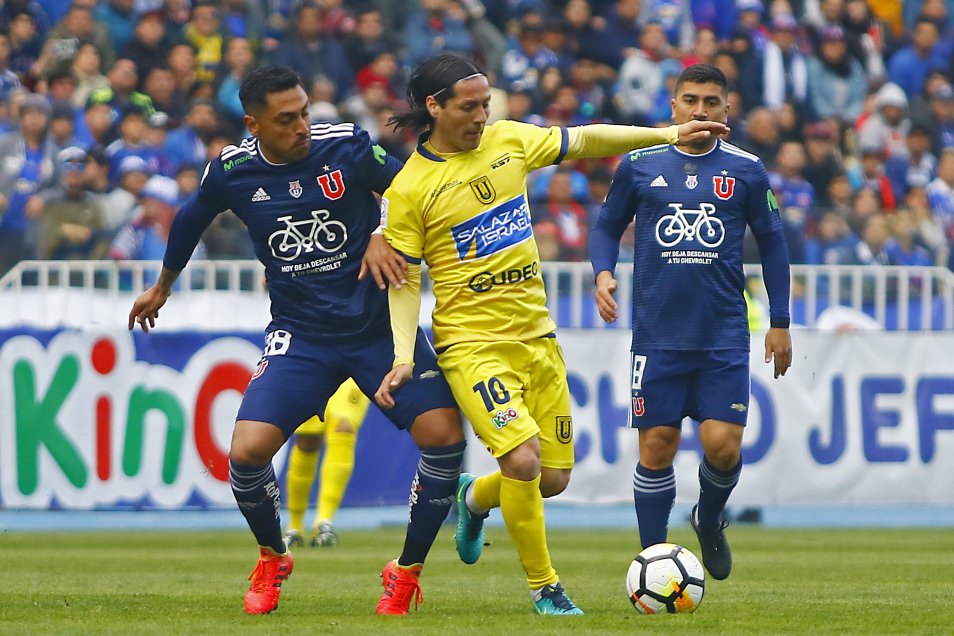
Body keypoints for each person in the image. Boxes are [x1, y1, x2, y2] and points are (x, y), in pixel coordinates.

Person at [372, 52, 727, 616]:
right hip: (472, 345)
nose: (481, 116)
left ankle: (474, 496)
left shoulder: (509, 141)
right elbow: (404, 280)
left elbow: (586, 140)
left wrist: (667, 133)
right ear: (434, 107)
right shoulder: (410, 188)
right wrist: (401, 355)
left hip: (537, 338)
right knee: (522, 461)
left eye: (486, 105)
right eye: (468, 107)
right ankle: (546, 588)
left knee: (553, 479)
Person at [127, 66, 465, 617]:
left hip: (375, 330)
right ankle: (272, 555)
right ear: (253, 123)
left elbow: (413, 190)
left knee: (444, 437)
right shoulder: (232, 170)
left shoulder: (346, 147)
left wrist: (383, 232)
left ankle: (405, 573)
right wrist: (163, 285)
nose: (303, 126)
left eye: (305, 111)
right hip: (301, 334)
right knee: (246, 451)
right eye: (287, 119)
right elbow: (192, 216)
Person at [589, 64, 793, 581]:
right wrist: (602, 274)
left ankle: (707, 516)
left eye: (710, 101)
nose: (700, 110)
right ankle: (653, 563)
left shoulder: (746, 169)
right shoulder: (639, 165)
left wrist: (780, 319)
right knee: (656, 445)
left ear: (728, 109)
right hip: (656, 336)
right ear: (673, 104)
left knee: (723, 448)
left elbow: (772, 243)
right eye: (690, 100)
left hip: (722, 334)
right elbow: (607, 226)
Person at [283, 378, 369, 548]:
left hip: (355, 360)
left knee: (344, 428)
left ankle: (324, 522)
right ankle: (294, 527)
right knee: (307, 440)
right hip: (313, 361)